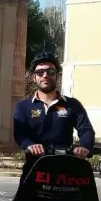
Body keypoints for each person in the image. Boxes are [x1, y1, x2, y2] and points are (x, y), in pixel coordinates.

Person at [12, 51, 95, 183]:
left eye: (50, 71)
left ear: (57, 75)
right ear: (34, 77)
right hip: (35, 169)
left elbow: (86, 130)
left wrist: (84, 146)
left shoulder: (72, 105)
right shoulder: (23, 106)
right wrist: (30, 145)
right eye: (40, 72)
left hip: (66, 174)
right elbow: (20, 133)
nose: (45, 75)